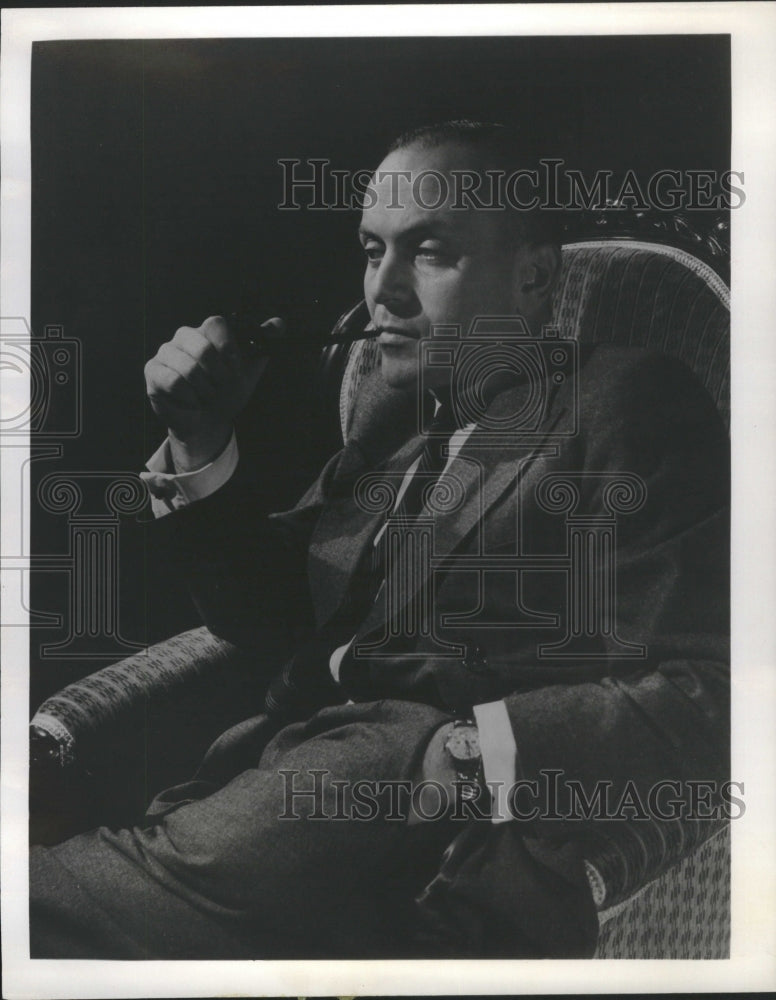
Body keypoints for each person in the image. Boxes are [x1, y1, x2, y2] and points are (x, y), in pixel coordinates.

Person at [30, 122, 730, 959]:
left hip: (417, 826)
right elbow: (270, 613)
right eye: (371, 250)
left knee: (43, 907)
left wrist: (467, 756)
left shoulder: (623, 400)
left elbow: (712, 693)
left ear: (534, 276)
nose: (382, 291)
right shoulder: (391, 420)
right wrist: (201, 442)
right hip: (266, 791)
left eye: (428, 252)